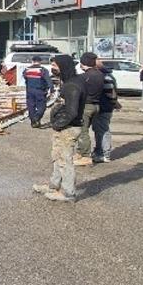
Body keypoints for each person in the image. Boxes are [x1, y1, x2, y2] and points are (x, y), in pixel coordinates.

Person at [33, 54, 85, 203]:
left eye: (55, 66)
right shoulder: (68, 82)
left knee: (64, 160)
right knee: (57, 157)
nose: (53, 69)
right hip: (63, 128)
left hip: (68, 128)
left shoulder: (72, 86)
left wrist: (58, 124)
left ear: (63, 66)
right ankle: (53, 185)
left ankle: (68, 193)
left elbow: (72, 111)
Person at [73, 52, 105, 166]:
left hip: (86, 106)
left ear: (83, 64)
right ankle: (80, 152)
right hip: (96, 105)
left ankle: (85, 156)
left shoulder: (84, 77)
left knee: (83, 131)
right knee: (88, 130)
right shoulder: (100, 75)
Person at [94, 63, 122, 163]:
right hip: (105, 106)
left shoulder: (105, 78)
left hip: (104, 107)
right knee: (99, 130)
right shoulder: (107, 76)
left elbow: (111, 94)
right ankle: (99, 151)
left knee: (103, 130)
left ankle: (105, 154)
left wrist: (115, 103)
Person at [23, 55, 52, 127]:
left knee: (31, 106)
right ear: (40, 62)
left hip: (29, 90)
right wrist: (51, 88)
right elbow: (48, 80)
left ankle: (33, 122)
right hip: (40, 91)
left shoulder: (26, 69)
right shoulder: (42, 70)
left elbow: (25, 78)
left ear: (32, 61)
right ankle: (37, 117)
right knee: (42, 106)